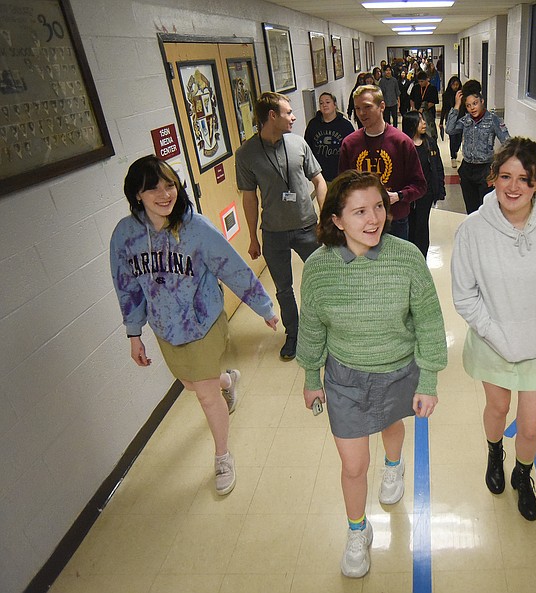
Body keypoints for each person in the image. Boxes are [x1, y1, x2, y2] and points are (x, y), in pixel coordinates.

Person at [296, 170, 447, 578]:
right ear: (337, 220)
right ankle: (357, 531)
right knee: (353, 465)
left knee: (392, 425)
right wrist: (312, 377)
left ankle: (394, 465)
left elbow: (430, 323)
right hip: (344, 379)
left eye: (378, 206)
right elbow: (311, 326)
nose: (374, 218)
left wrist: (428, 380)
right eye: (360, 211)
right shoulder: (318, 269)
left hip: (398, 370)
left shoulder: (407, 258)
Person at [110, 156, 280, 496]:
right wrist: (134, 333)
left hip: (204, 322)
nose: (164, 193)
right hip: (165, 328)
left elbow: (231, 267)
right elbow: (126, 286)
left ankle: (222, 455)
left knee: (204, 394)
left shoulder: (195, 228)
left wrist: (263, 306)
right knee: (191, 383)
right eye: (153, 187)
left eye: (170, 184)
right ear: (137, 194)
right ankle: (227, 380)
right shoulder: (125, 235)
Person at [451, 137, 536, 521]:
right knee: (498, 406)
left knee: (530, 425)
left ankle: (523, 477)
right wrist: (495, 332)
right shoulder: (473, 230)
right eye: (505, 176)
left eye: (524, 179)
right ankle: (494, 453)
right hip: (492, 341)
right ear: (493, 177)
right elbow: (464, 295)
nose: (513, 187)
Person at [235, 91, 327, 361]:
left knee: (320, 281)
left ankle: (324, 330)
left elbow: (319, 181)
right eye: (288, 112)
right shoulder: (246, 154)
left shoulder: (298, 144)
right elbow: (249, 197)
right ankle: (294, 333)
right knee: (283, 288)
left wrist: (325, 218)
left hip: (307, 227)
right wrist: (252, 237)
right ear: (272, 116)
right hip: (273, 232)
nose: (294, 116)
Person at [339, 84, 427, 240]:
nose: (361, 113)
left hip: (395, 219)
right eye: (357, 108)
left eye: (367, 107)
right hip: (361, 221)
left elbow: (420, 185)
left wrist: (398, 196)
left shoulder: (402, 142)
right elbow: (342, 186)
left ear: (382, 106)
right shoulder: (349, 144)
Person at [445, 83, 510, 214]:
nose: (472, 108)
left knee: (486, 211)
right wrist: (457, 106)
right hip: (467, 170)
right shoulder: (466, 120)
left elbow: (508, 143)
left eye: (475, 103)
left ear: (482, 101)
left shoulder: (493, 120)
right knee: (471, 211)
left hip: (485, 171)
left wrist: (498, 167)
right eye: (468, 105)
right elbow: (449, 129)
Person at [402, 111, 445, 258]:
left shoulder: (429, 142)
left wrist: (440, 189)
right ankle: (409, 257)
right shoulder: (404, 144)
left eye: (423, 120)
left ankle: (421, 258)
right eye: (420, 121)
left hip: (426, 193)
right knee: (409, 227)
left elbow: (438, 166)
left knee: (421, 227)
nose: (424, 123)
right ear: (412, 124)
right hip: (408, 194)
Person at [304, 92, 355, 182]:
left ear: (334, 105)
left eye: (327, 102)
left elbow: (353, 148)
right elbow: (307, 148)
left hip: (341, 174)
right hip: (321, 174)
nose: (324, 105)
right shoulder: (313, 124)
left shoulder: (345, 125)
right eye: (321, 103)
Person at [439, 75, 463, 168]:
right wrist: (441, 122)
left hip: (461, 119)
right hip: (450, 119)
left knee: (459, 139)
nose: (455, 87)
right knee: (452, 139)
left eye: (457, 84)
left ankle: (455, 151)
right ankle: (453, 157)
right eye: (454, 85)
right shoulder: (446, 94)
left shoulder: (462, 94)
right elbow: (444, 108)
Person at [409, 70, 439, 141]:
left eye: (422, 81)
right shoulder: (416, 87)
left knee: (429, 130)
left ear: (426, 80)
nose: (420, 83)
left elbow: (433, 102)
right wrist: (413, 108)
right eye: (419, 81)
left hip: (428, 113)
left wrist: (423, 109)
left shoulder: (432, 88)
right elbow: (411, 99)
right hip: (417, 112)